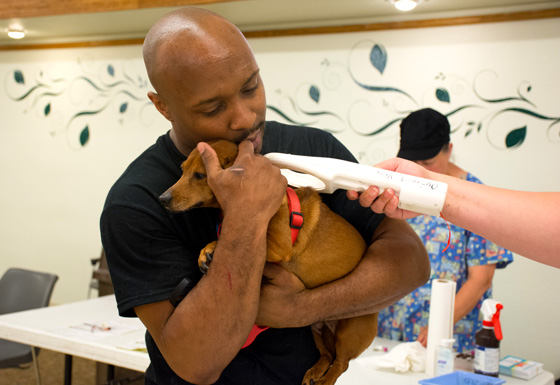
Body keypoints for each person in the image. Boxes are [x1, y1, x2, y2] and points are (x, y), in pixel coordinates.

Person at [100, 7, 430, 385]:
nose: (245, 118)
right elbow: (196, 363)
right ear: (163, 107)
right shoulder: (136, 201)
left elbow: (410, 264)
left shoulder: (313, 148)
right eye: (213, 107)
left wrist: (300, 308)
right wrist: (246, 216)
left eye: (250, 87)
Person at [370, 108, 514, 353]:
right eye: (412, 162)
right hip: (391, 331)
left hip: (449, 337)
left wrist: (440, 324)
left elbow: (481, 279)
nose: (418, 170)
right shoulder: (396, 190)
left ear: (449, 148)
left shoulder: (474, 197)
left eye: (427, 162)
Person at [348, 158, 560, 269]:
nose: (420, 163)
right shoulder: (403, 195)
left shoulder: (472, 186)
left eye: (427, 161)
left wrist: (434, 191)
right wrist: (430, 187)